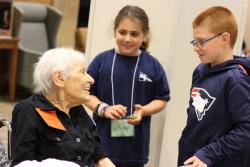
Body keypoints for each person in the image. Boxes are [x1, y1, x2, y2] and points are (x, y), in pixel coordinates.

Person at [85, 5, 170, 167]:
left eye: (134, 34)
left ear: (144, 35)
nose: (127, 39)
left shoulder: (153, 66)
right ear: (114, 32)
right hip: (100, 147)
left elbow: (162, 99)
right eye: (122, 32)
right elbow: (86, 95)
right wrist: (104, 109)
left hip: (135, 149)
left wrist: (143, 110)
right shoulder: (101, 62)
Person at [10, 48, 116, 167]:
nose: (91, 79)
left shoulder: (77, 108)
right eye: (83, 72)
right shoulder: (29, 111)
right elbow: (21, 164)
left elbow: (100, 157)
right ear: (59, 78)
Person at [178, 6, 250, 167]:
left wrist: (210, 152)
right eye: (195, 41)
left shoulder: (236, 80)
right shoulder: (200, 70)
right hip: (191, 156)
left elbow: (247, 129)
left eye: (201, 41)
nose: (196, 47)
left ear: (225, 38)